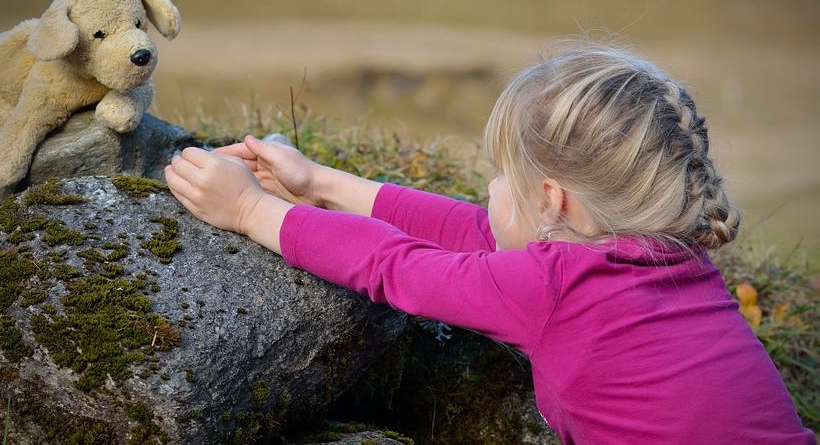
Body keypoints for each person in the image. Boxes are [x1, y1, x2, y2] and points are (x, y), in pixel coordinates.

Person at [164, 41, 815, 444]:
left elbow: (395, 267)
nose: (492, 188)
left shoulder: (556, 288)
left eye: (502, 175)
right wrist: (322, 183)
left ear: (553, 201)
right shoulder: (670, 258)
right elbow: (479, 234)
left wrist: (250, 208)